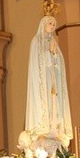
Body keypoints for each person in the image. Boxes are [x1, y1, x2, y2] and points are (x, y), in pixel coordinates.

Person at [24, 15, 72, 148]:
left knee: (54, 104)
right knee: (46, 104)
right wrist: (48, 53)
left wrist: (54, 54)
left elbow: (60, 63)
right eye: (50, 23)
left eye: (54, 24)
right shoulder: (36, 41)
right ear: (43, 24)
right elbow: (36, 64)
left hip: (52, 81)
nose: (52, 26)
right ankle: (43, 129)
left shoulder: (54, 42)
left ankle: (54, 128)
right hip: (42, 83)